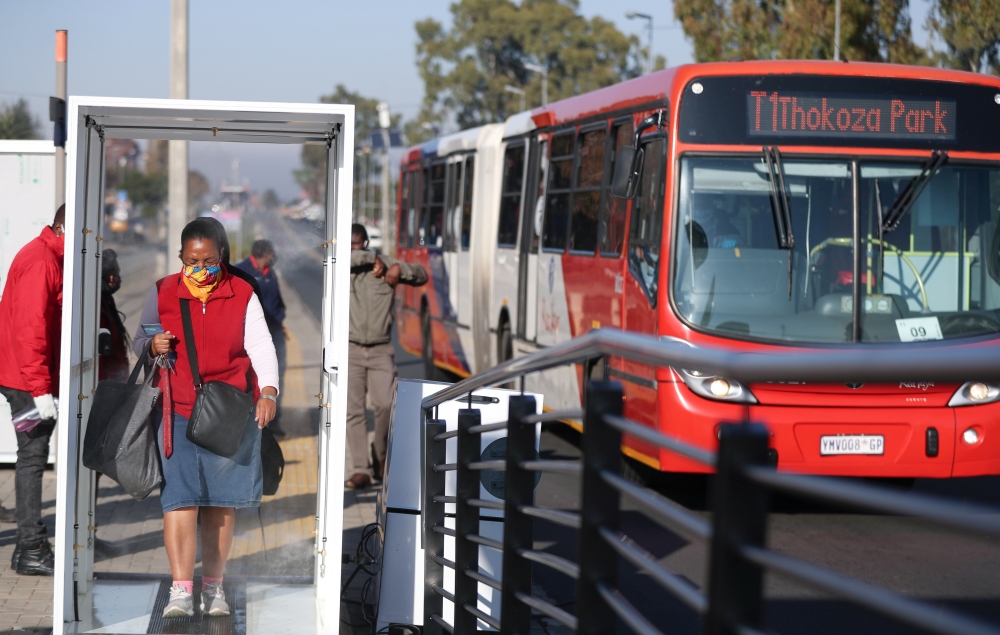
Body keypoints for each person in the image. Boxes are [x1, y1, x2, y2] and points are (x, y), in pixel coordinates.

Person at [133, 218, 279, 618]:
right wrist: (152, 344)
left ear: (222, 257)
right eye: (192, 262)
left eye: (209, 262)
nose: (200, 270)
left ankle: (214, 589)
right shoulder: (163, 291)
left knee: (220, 503)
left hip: (229, 412)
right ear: (181, 257)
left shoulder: (242, 291)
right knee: (179, 502)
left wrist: (268, 391)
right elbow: (141, 338)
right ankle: (181, 590)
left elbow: (261, 346)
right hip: (176, 412)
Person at [0, 205, 65, 576]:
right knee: (32, 457)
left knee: (32, 456)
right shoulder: (43, 261)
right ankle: (30, 548)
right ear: (61, 228)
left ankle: (29, 546)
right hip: (26, 382)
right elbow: (31, 329)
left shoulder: (46, 255)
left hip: (25, 377)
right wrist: (41, 390)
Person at [347, 223, 427, 489]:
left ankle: (379, 454)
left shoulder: (387, 264)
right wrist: (372, 259)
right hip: (351, 349)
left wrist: (399, 269)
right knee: (353, 411)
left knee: (384, 405)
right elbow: (344, 258)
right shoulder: (343, 268)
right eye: (348, 244)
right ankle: (361, 469)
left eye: (356, 244)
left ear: (366, 243)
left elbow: (422, 275)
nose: (351, 249)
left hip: (381, 349)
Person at [235, 240, 287, 437]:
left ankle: (274, 420)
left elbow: (277, 301)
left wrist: (281, 322)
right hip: (253, 335)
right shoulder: (242, 272)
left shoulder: (270, 273)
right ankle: (256, 420)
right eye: (272, 254)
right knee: (255, 377)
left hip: (275, 331)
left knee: (276, 375)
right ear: (266, 254)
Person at [98, 249, 129, 382]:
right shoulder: (98, 308)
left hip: (114, 378)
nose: (116, 278)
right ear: (110, 277)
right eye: (115, 274)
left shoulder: (106, 302)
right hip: (106, 381)